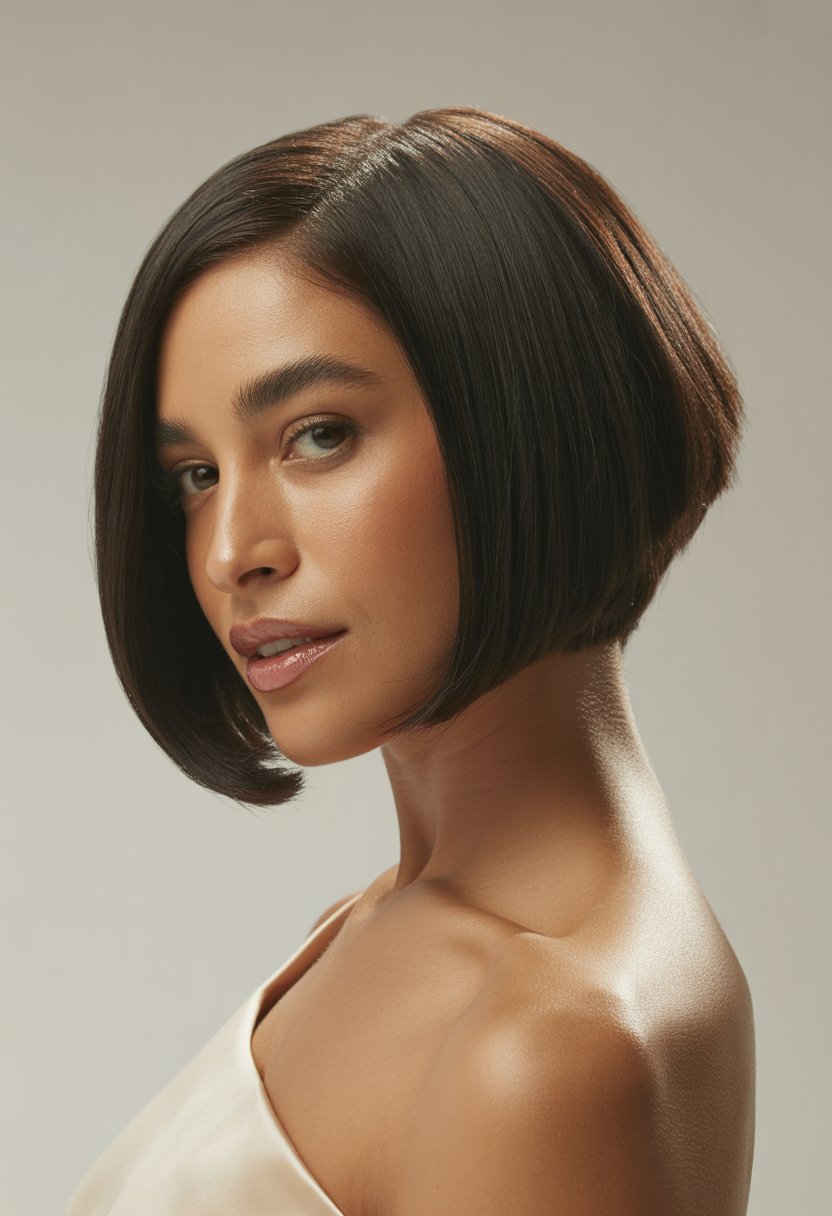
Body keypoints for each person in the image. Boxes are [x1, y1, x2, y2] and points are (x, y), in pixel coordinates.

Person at [66, 105, 755, 1215]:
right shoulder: (382, 923)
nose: (233, 551)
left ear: (524, 425)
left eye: (317, 434)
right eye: (194, 475)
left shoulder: (539, 1049)